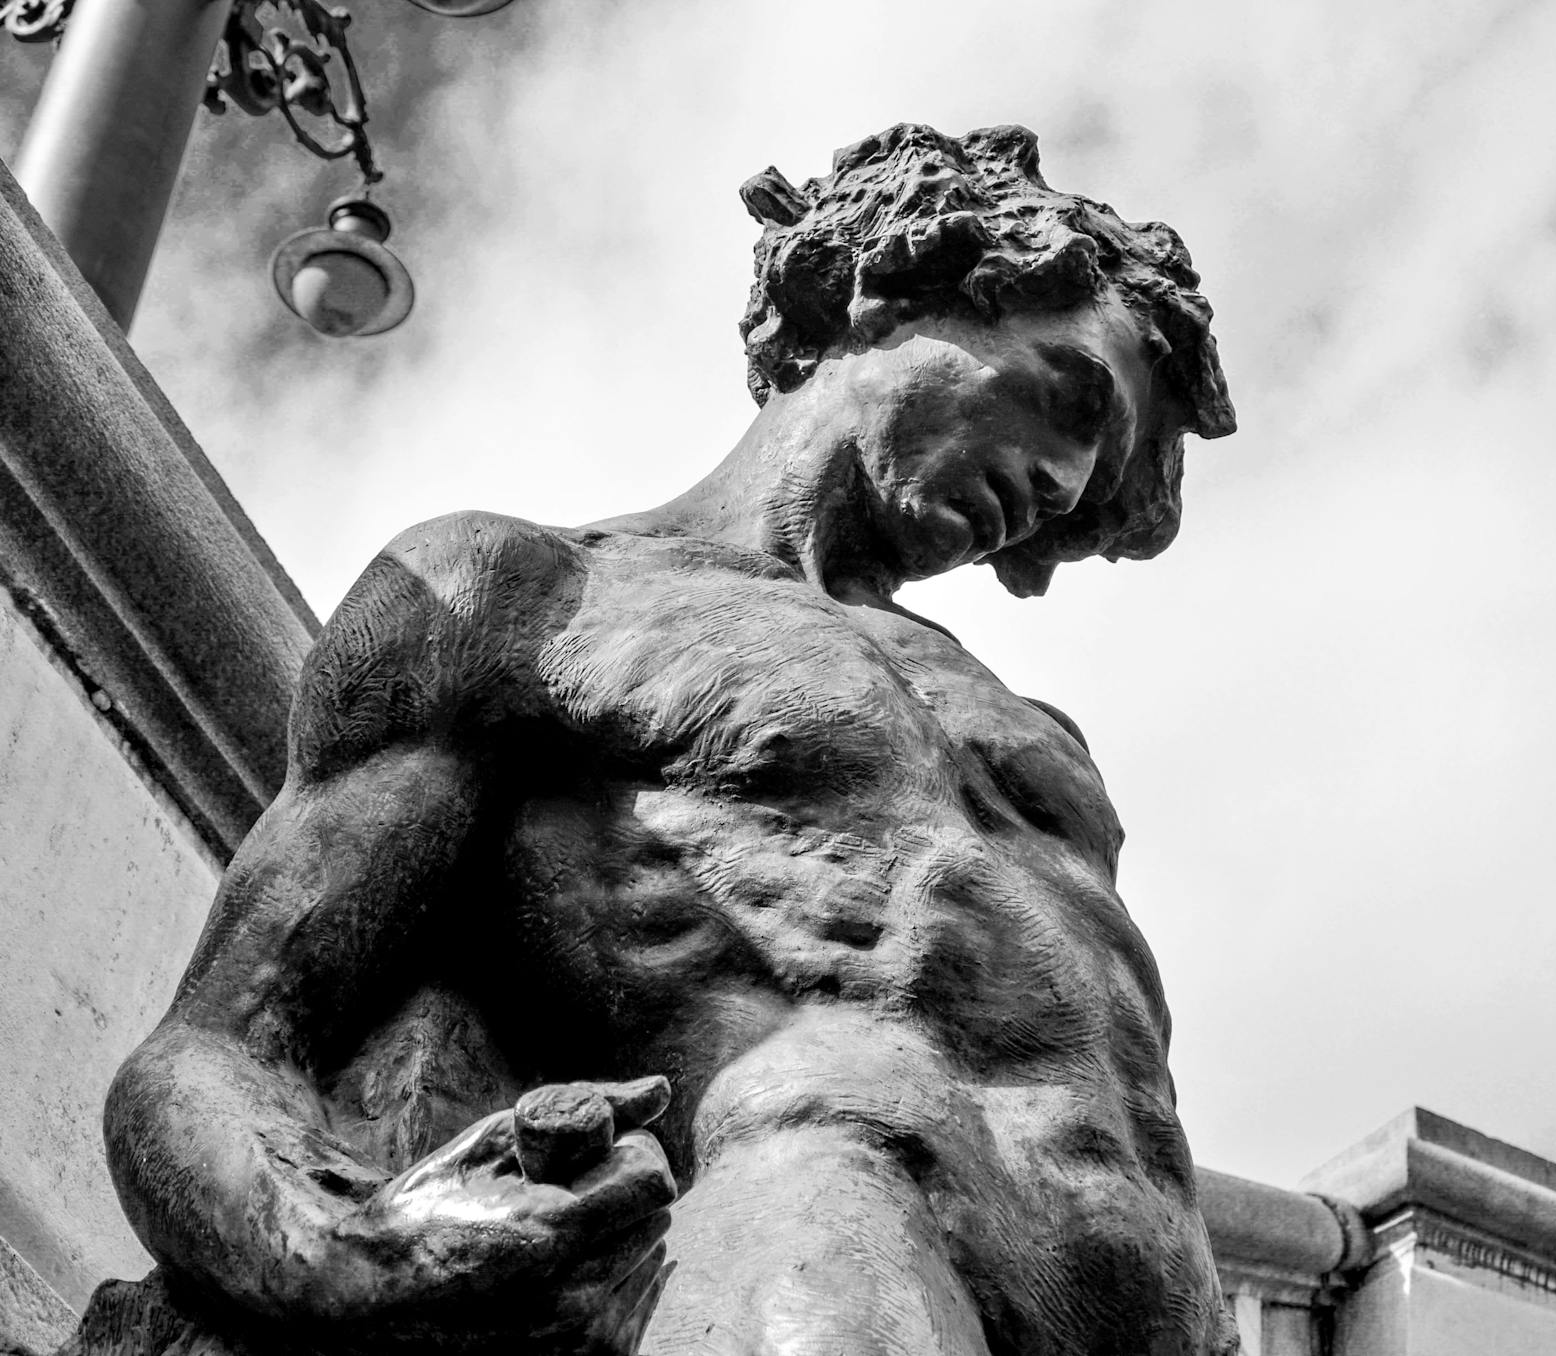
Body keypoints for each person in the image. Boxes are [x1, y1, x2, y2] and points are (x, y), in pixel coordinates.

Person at [101, 123, 1237, 1356]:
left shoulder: (1027, 731)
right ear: (877, 288)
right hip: (836, 1234)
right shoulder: (525, 598)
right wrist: (345, 1245)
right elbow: (220, 1042)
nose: (1068, 483)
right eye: (1069, 397)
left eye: (1102, 463)